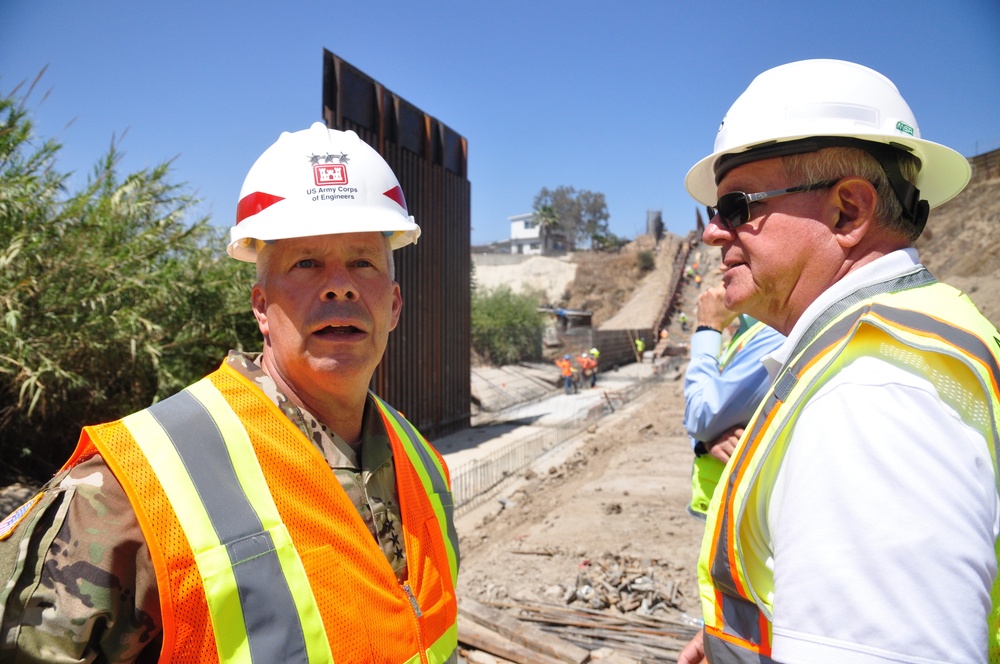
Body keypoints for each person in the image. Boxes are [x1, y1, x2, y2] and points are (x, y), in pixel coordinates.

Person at [0, 123, 460, 662]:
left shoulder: (421, 462)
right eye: (306, 263)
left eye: (363, 261)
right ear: (261, 307)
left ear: (395, 304)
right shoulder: (131, 486)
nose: (340, 284)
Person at [677, 59, 1000, 663]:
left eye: (736, 207)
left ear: (847, 211)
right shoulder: (887, 345)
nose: (712, 234)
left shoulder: (874, 393)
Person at [683, 283, 783, 520]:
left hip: (739, 508)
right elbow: (698, 412)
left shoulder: (776, 334)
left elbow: (699, 413)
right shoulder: (752, 327)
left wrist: (709, 327)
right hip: (722, 502)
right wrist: (705, 439)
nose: (721, 265)